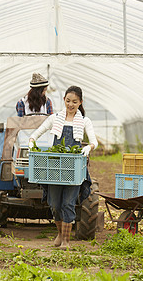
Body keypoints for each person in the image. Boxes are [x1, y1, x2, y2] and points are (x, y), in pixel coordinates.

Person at [28, 85, 98, 249]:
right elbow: (36, 133)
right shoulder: (55, 118)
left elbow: (94, 141)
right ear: (64, 101)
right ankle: (60, 234)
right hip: (55, 168)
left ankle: (66, 241)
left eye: (74, 101)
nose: (70, 104)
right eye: (68, 101)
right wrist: (31, 142)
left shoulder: (84, 121)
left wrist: (88, 147)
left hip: (73, 169)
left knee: (68, 203)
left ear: (80, 102)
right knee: (54, 204)